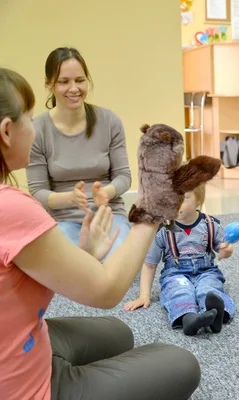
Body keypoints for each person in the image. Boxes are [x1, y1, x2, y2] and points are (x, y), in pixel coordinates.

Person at [0, 68, 201, 400]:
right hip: (26, 388)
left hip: (22, 345)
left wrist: (85, 256)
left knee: (118, 334)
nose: (33, 130)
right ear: (7, 131)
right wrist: (154, 207)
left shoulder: (106, 121)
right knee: (182, 363)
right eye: (28, 119)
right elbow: (107, 293)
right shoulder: (12, 209)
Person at [26, 47, 131, 256]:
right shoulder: (37, 129)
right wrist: (70, 199)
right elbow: (38, 191)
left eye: (80, 80)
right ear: (49, 85)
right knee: (72, 268)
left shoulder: (110, 121)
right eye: (64, 82)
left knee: (115, 263)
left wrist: (105, 193)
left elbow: (124, 176)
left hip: (107, 215)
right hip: (63, 219)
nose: (74, 89)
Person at [124, 185, 236, 335]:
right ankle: (188, 319)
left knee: (209, 289)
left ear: (198, 201)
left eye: (183, 199)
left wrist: (226, 251)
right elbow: (150, 265)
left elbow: (222, 250)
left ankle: (216, 316)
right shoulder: (163, 229)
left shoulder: (211, 224)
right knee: (179, 291)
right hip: (175, 273)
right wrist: (144, 295)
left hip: (206, 271)